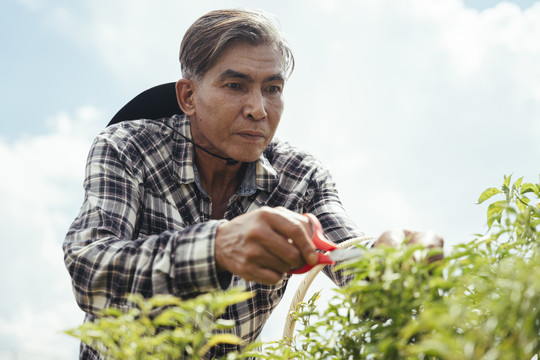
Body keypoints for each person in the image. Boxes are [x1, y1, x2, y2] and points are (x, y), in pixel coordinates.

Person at [63, 8, 443, 359]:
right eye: (235, 86)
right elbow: (90, 269)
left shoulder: (301, 178)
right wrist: (217, 247)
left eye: (273, 89)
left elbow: (346, 255)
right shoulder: (128, 148)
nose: (258, 108)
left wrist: (392, 265)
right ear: (189, 96)